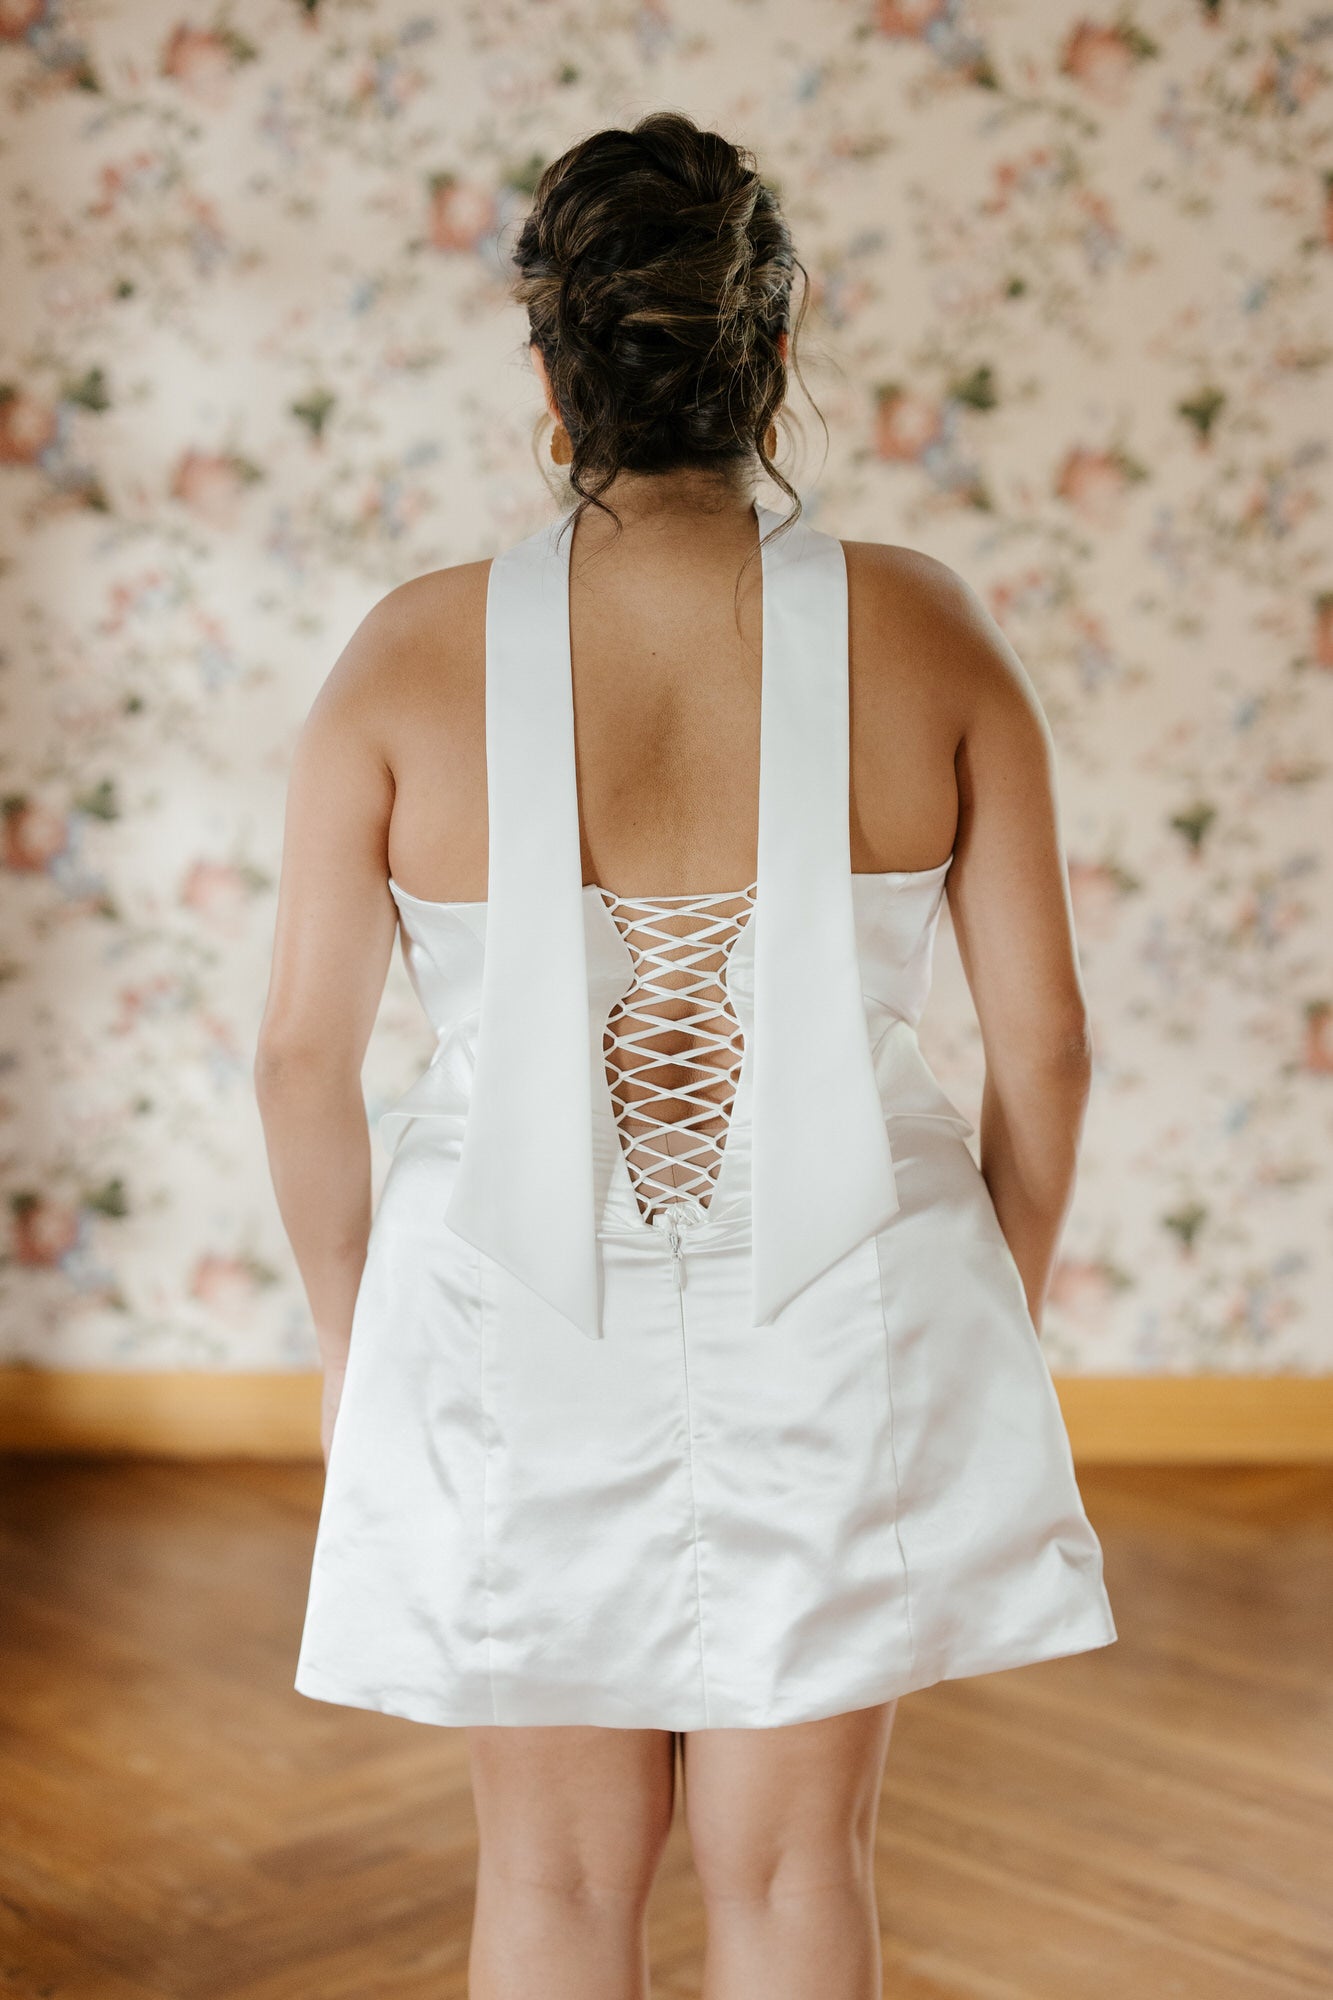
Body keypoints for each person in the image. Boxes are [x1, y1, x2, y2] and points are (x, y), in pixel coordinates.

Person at [255, 110, 1116, 2000]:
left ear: (551, 374)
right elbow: (1045, 1051)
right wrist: (983, 1313)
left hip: (500, 1317)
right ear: (775, 356)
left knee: (553, 1886)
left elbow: (300, 1067)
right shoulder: (928, 631)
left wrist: (354, 1353)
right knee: (797, 1866)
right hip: (846, 1309)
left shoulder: (402, 661)